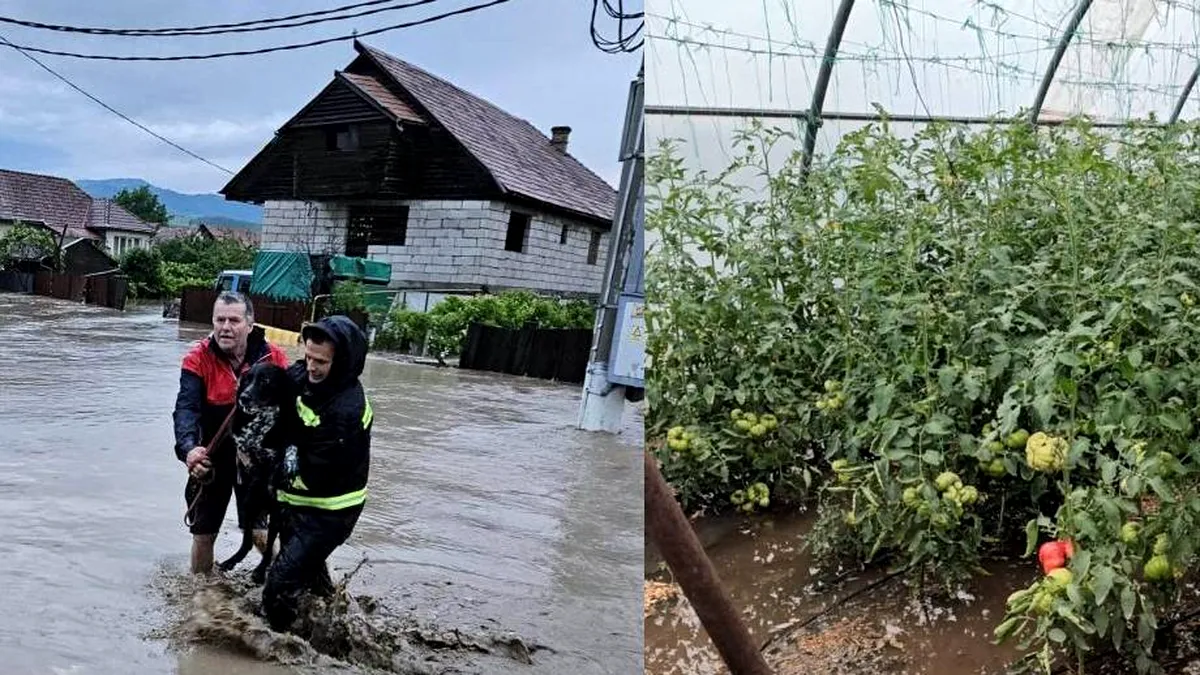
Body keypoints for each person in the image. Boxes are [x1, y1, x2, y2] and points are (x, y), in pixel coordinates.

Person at [263, 315, 372, 634]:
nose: (310, 367)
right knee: (308, 579)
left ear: (342, 362)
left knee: (277, 586)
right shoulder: (303, 375)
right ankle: (336, 617)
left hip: (329, 513)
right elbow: (280, 387)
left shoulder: (346, 412)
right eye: (308, 356)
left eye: (320, 362)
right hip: (297, 502)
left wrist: (264, 460)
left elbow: (312, 471)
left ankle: (279, 651)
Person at [172, 291, 292, 575]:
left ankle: (280, 581)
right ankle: (202, 600)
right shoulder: (196, 359)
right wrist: (189, 450)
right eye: (220, 319)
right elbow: (186, 410)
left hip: (256, 461)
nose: (225, 326)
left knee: (261, 534)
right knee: (203, 534)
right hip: (211, 458)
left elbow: (292, 409)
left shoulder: (273, 357)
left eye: (234, 320)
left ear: (250, 325)